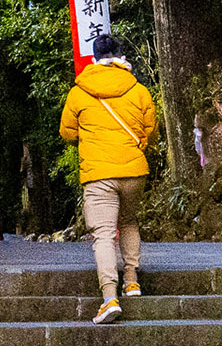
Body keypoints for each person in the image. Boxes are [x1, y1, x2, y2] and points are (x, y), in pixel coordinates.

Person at [59, 32, 157, 325]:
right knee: (128, 222)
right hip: (133, 171)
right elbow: (150, 129)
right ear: (120, 56)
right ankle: (132, 281)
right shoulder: (138, 90)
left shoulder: (79, 92)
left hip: (99, 173)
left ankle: (110, 297)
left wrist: (89, 138)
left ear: (95, 57)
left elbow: (67, 132)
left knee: (103, 234)